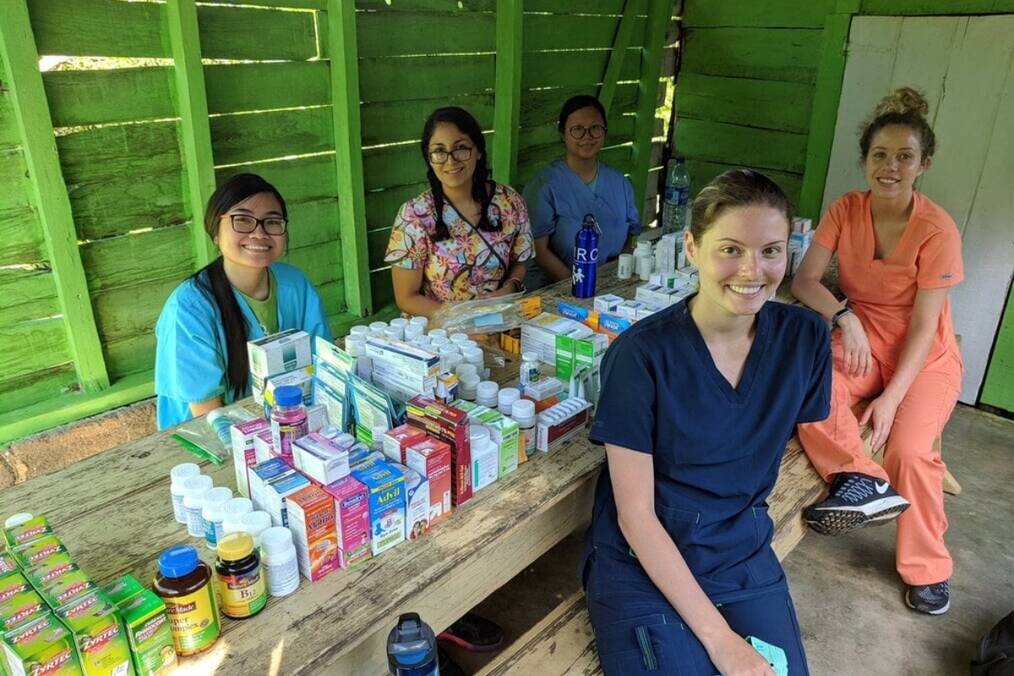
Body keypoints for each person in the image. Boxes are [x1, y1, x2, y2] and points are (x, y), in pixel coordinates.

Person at [584, 169, 831, 675]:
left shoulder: (804, 339)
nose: (752, 270)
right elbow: (636, 517)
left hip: (740, 553)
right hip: (643, 563)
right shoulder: (642, 356)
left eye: (771, 250)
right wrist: (720, 641)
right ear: (692, 249)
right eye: (730, 249)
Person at [792, 87, 963, 615]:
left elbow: (925, 328)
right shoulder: (846, 209)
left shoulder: (936, 230)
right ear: (866, 160)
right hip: (862, 336)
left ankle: (928, 568)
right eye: (880, 155)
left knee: (910, 451)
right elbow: (805, 282)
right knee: (810, 387)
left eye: (904, 157)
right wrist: (845, 315)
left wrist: (890, 398)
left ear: (923, 164)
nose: (890, 167)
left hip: (923, 358)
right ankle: (861, 479)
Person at [154, 173, 332, 429]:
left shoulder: (295, 284)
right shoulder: (189, 307)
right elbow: (207, 413)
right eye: (243, 220)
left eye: (272, 222)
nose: (259, 233)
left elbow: (322, 365)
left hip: (289, 425)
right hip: (213, 441)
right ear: (215, 231)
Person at [385, 106, 533, 317]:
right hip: (440, 334)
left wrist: (509, 288)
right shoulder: (415, 215)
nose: (451, 160)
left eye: (461, 148)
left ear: (478, 151)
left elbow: (520, 262)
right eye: (439, 151)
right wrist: (462, 317)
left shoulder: (509, 202)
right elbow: (406, 298)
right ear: (429, 157)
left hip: (499, 322)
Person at [523, 94, 640, 290]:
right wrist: (579, 285)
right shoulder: (544, 185)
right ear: (563, 134)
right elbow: (539, 251)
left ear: (604, 132)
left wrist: (616, 280)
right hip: (555, 288)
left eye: (595, 128)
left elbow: (628, 238)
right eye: (577, 129)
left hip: (609, 286)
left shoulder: (620, 183)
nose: (587, 136)